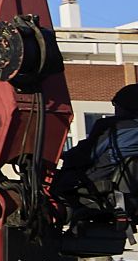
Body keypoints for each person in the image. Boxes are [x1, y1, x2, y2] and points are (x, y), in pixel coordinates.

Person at [53, 84, 138, 226]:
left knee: (49, 185)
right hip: (129, 195)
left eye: (116, 105)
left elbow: (87, 154)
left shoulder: (113, 126)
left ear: (124, 106)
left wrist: (62, 155)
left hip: (98, 184)